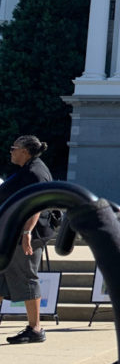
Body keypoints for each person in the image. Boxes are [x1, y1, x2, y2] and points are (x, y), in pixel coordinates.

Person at [0, 136, 54, 343]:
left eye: (13, 148)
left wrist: (27, 233)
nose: (11, 151)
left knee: (26, 277)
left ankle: (35, 328)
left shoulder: (35, 172)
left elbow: (37, 204)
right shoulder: (27, 169)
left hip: (27, 235)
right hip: (11, 234)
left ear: (25, 151)